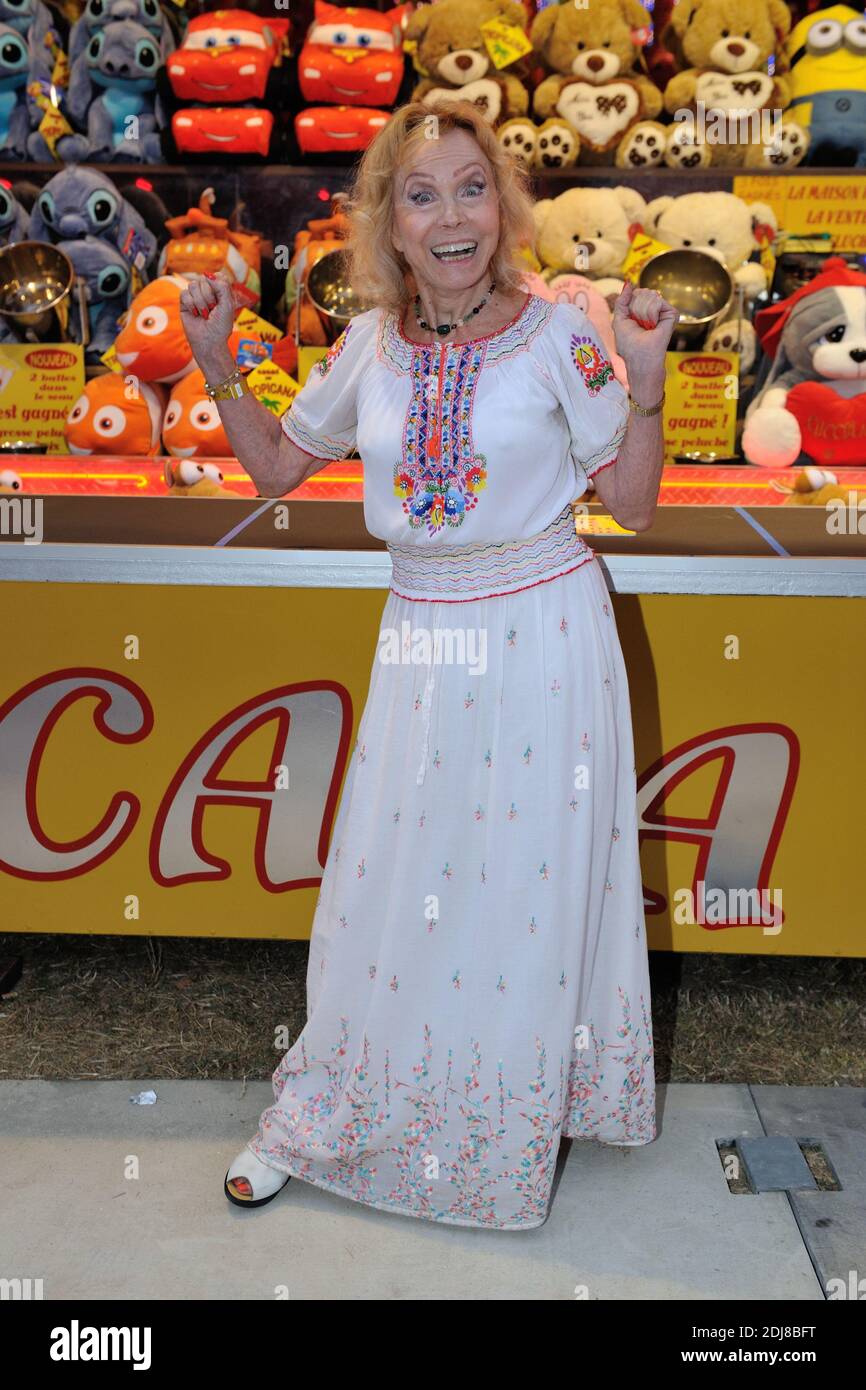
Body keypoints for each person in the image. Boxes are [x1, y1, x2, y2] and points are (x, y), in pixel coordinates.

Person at [180, 98, 679, 1232]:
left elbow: (635, 506)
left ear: (500, 210)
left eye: (468, 189)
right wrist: (216, 366)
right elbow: (271, 469)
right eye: (420, 194)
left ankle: (498, 1124)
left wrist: (644, 385)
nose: (449, 216)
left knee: (520, 893)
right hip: (419, 637)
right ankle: (328, 1113)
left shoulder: (562, 333)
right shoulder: (364, 347)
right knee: (383, 885)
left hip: (547, 635)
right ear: (388, 225)